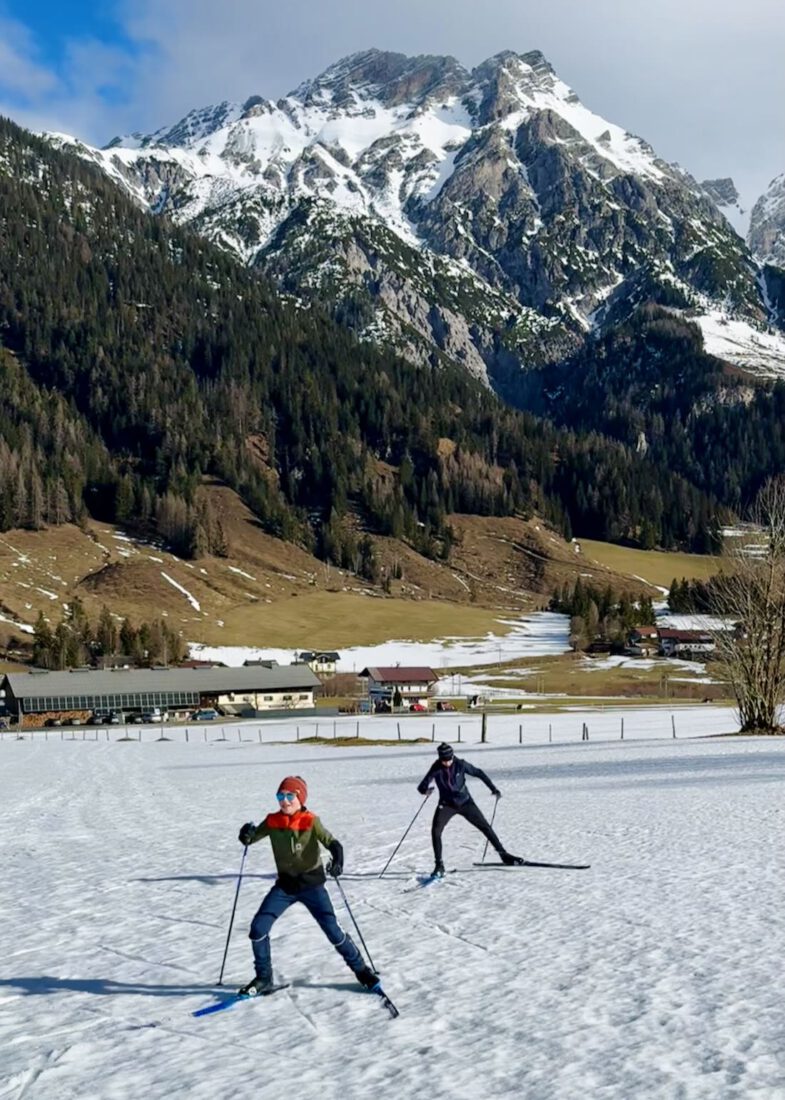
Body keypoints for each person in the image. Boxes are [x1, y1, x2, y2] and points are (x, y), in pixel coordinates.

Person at [237, 775, 379, 996]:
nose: (284, 801)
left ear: (300, 798)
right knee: (258, 929)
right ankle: (264, 978)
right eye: (280, 796)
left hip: (312, 886)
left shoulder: (311, 820)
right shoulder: (273, 821)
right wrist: (245, 833)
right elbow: (250, 839)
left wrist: (338, 861)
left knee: (333, 931)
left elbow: (334, 844)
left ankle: (362, 972)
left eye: (289, 796)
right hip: (285, 887)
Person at [417, 743, 523, 875]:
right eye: (444, 760)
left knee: (485, 827)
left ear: (452, 756)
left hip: (465, 802)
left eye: (449, 759)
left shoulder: (460, 764)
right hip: (446, 805)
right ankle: (439, 865)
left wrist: (493, 788)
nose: (447, 763)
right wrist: (426, 791)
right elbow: (421, 786)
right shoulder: (436, 767)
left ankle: (504, 855)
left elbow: (479, 773)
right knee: (435, 831)